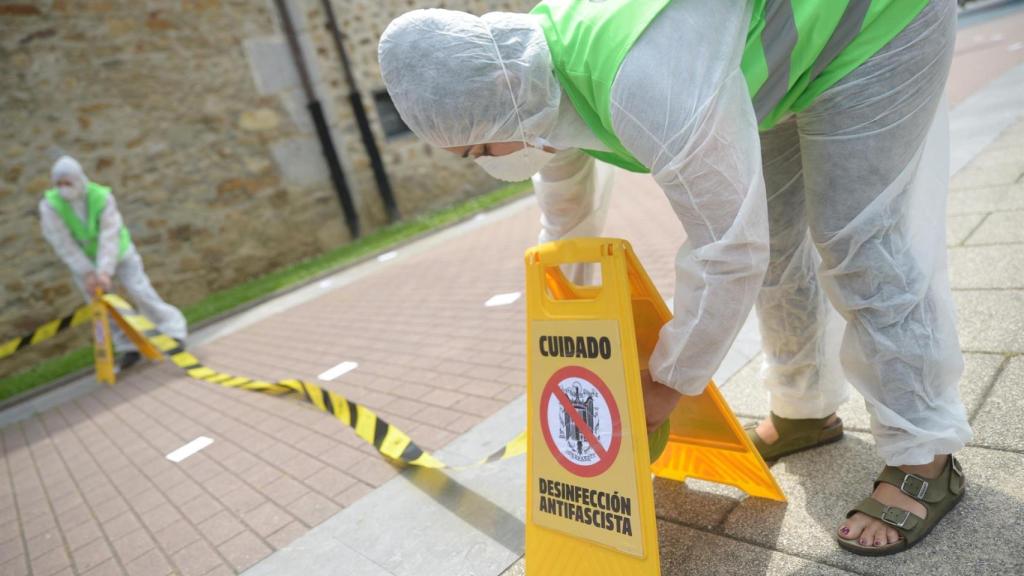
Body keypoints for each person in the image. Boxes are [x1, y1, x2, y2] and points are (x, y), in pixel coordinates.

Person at [378, 0, 970, 555]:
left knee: (858, 240)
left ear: (504, 91)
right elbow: (567, 222)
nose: (487, 163)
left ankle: (925, 457)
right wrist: (570, 333)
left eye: (479, 149)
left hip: (874, 22)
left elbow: (729, 251)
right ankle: (804, 408)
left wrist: (668, 382)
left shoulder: (643, 79)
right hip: (779, 54)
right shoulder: (529, 74)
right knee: (782, 240)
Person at [39, 156, 188, 371]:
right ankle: (128, 347)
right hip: (84, 263)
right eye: (59, 184)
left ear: (79, 179)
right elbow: (62, 242)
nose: (64, 188)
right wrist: (88, 272)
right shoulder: (50, 206)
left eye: (67, 183)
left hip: (118, 252)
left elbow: (110, 234)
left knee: (140, 290)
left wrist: (105, 271)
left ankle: (173, 332)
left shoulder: (101, 196)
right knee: (102, 307)